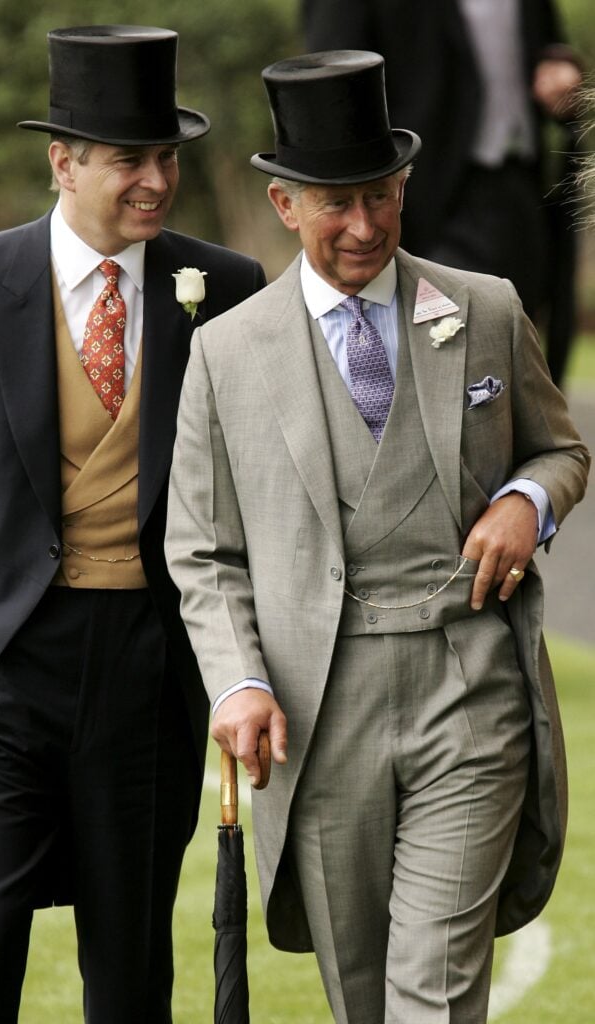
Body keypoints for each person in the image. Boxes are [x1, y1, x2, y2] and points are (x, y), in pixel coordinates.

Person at [165, 51, 589, 1023]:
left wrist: (529, 496)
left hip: (469, 693)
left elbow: (562, 448)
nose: (363, 227)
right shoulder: (227, 353)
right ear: (284, 204)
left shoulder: (484, 309)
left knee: (431, 995)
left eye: (380, 198)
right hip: (319, 719)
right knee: (364, 1000)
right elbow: (202, 547)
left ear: (404, 187)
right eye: (336, 205)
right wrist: (238, 680)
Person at [0, 24, 265, 1024]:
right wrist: (1, 574)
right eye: (129, 159)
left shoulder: (223, 290)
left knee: (133, 975)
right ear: (63, 161)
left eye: (167, 158)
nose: (155, 180)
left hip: (145, 671)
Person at [301, 0, 584, 388]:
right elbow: (329, 79)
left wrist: (558, 66)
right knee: (438, 366)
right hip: (416, 199)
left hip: (521, 187)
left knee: (520, 363)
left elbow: (545, 41)